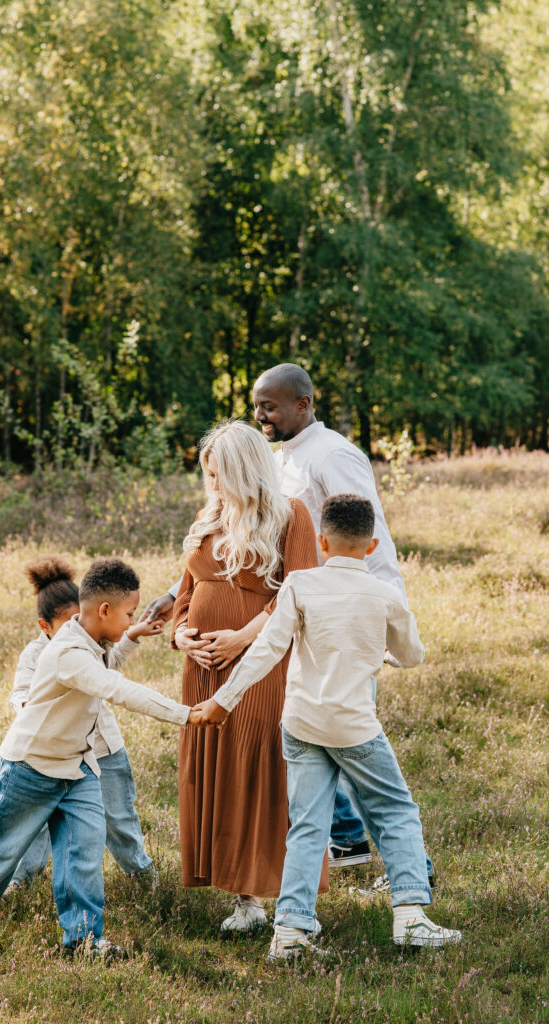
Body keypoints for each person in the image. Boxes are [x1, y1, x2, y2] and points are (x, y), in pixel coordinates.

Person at [143, 363, 430, 882]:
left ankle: (410, 868)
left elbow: (370, 536)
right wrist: (175, 605)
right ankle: (345, 845)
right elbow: (220, 556)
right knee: (312, 746)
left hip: (333, 620)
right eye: (256, 406)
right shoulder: (276, 461)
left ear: (304, 402)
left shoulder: (334, 455)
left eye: (269, 406)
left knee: (349, 745)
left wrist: (386, 618)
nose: (260, 416)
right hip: (282, 626)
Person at [192, 494, 461, 958]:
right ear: (372, 545)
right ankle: (411, 917)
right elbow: (413, 655)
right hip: (355, 727)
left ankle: (292, 931)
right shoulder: (384, 594)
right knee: (396, 811)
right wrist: (385, 653)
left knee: (307, 825)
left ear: (321, 540)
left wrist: (222, 700)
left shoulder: (299, 585)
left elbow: (266, 651)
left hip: (299, 724)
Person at [0, 558, 197, 956]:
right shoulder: (68, 652)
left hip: (79, 766)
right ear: (104, 611)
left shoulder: (94, 643)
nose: (130, 620)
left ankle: (83, 940)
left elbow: (108, 674)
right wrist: (187, 714)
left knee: (82, 855)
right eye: (128, 614)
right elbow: (117, 689)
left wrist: (130, 634)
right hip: (31, 767)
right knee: (0, 851)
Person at [172, 421, 326, 931]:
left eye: (218, 475)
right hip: (202, 670)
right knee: (215, 768)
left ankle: (281, 894)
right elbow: (186, 592)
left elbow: (297, 593)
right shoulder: (207, 517)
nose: (211, 484)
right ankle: (243, 899)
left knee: (259, 771)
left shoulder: (290, 516)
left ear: (244, 470)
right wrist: (181, 636)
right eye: (207, 474)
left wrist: (242, 638)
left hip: (262, 665)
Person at [7, 557, 161, 889]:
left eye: (80, 617)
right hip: (54, 753)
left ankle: (142, 876)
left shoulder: (95, 641)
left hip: (105, 749)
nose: (77, 625)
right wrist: (28, 709)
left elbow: (111, 667)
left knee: (119, 818)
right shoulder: (37, 655)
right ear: (44, 627)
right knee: (36, 824)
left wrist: (132, 633)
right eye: (66, 622)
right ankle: (20, 882)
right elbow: (20, 691)